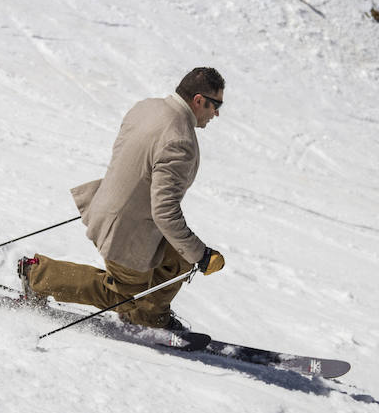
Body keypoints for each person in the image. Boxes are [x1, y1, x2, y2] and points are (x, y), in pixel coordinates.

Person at [18, 67, 227, 330]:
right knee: (123, 296)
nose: (217, 113)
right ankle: (37, 274)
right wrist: (202, 255)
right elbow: (164, 211)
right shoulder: (180, 139)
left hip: (109, 205)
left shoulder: (147, 107)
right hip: (127, 230)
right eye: (216, 105)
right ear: (199, 100)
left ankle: (149, 317)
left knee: (179, 258)